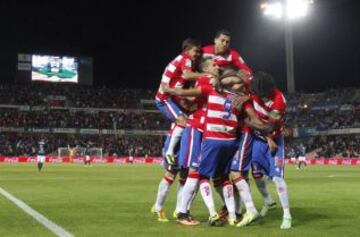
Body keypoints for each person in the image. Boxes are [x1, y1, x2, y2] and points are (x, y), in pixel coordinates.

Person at [243, 71, 292, 229]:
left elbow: (270, 127)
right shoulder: (254, 85)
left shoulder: (279, 101)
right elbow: (238, 75)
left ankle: (287, 214)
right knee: (256, 173)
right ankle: (269, 202)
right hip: (259, 140)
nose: (261, 97)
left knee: (277, 178)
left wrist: (248, 123)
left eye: (264, 94)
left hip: (275, 139)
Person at [155, 38, 210, 166]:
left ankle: (170, 152)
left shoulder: (181, 60)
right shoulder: (186, 59)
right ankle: (168, 152)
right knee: (182, 120)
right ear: (186, 50)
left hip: (172, 96)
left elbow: (182, 81)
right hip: (165, 98)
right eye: (195, 51)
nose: (197, 54)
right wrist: (207, 75)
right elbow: (187, 75)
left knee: (184, 119)